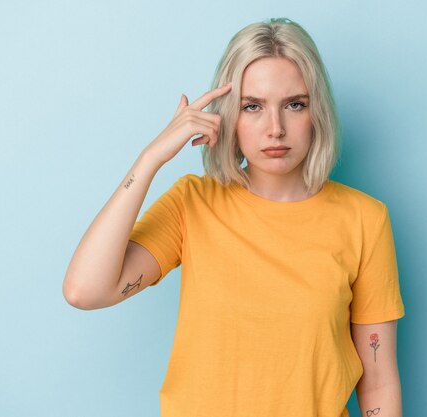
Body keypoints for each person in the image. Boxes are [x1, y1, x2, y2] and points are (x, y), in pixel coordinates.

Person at [63, 17, 405, 417]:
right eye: (252, 106)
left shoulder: (364, 219)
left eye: (295, 104)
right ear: (229, 116)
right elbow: (84, 291)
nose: (275, 129)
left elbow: (378, 383)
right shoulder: (193, 203)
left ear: (317, 114)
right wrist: (151, 158)